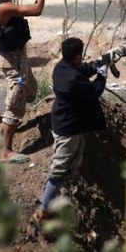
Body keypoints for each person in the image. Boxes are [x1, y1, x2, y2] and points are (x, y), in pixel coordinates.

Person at [32, 37, 108, 224]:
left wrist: (98, 63)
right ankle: (43, 210)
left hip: (65, 124)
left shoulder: (61, 68)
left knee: (73, 162)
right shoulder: (74, 79)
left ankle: (66, 196)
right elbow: (94, 91)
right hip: (68, 130)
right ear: (78, 56)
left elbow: (81, 69)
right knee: (59, 168)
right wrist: (102, 75)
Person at [0, 0, 49, 163]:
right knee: (16, 98)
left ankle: (6, 128)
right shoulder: (4, 7)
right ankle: (5, 150)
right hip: (12, 61)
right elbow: (36, 9)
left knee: (31, 89)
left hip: (18, 57)